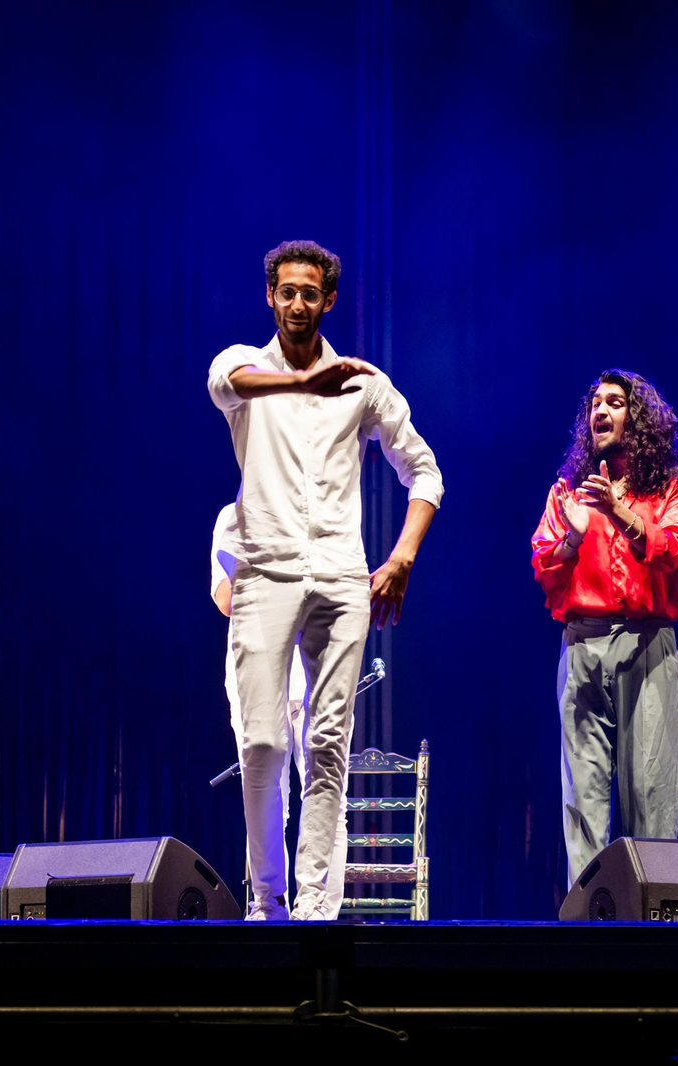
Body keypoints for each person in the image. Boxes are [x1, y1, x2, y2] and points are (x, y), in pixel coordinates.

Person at [207, 240, 443, 921]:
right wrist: (303, 385)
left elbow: (424, 470)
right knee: (261, 742)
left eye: (310, 293)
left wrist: (401, 557)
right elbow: (226, 386)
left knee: (328, 744)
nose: (297, 304)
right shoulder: (243, 364)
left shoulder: (363, 383)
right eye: (287, 292)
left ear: (328, 300)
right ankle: (268, 899)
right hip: (265, 573)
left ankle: (315, 908)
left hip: (340, 577)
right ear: (270, 297)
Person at [531, 370, 678, 886]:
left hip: (645, 644)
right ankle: (588, 921)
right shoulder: (568, 493)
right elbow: (544, 567)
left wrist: (617, 510)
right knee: (582, 801)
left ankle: (654, 922)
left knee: (650, 797)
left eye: (615, 402)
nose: (600, 411)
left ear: (640, 418)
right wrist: (573, 538)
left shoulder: (676, 487)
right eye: (595, 404)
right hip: (582, 644)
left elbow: (671, 547)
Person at [211, 502, 348, 919]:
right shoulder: (232, 517)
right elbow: (225, 599)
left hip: (316, 674)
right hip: (254, 676)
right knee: (265, 798)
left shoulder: (318, 509)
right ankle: (269, 907)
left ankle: (319, 910)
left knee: (326, 793)